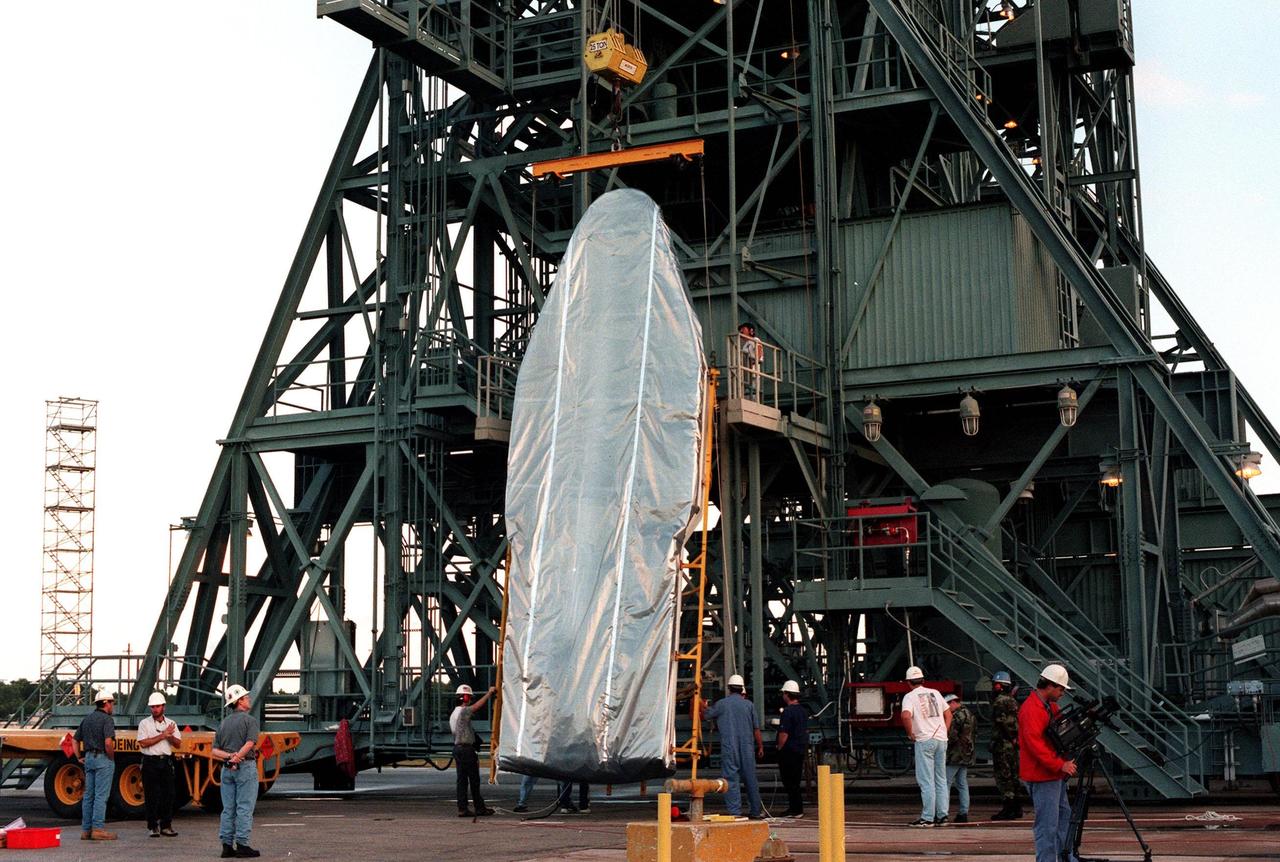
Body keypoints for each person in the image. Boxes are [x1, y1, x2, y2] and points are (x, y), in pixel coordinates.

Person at [1019, 664, 1079, 862]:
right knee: (1048, 824)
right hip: (1043, 775)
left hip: (1052, 775)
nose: (1062, 693)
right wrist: (1060, 764)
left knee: (1062, 817)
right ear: (1051, 686)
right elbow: (1036, 746)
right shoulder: (1032, 709)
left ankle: (1064, 856)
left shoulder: (1048, 706)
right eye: (1061, 689)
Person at [703, 674, 764, 820]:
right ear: (742, 688)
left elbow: (706, 715)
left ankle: (735, 812)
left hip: (730, 748)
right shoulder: (749, 705)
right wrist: (760, 746)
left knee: (730, 779)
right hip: (747, 749)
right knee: (750, 779)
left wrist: (701, 703)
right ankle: (756, 811)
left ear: (729, 688)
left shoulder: (722, 704)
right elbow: (756, 729)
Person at [213, 684, 261, 858]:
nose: (248, 699)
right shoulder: (250, 721)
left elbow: (214, 751)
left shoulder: (223, 723)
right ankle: (242, 844)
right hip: (245, 767)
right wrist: (238, 758)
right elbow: (250, 743)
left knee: (228, 808)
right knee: (244, 807)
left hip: (226, 769)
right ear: (239, 701)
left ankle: (226, 845)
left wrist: (229, 757)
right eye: (246, 697)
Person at [899, 665, 951, 827]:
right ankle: (942, 816)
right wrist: (944, 731)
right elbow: (948, 714)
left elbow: (906, 716)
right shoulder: (935, 693)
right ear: (922, 680)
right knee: (941, 779)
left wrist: (910, 733)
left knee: (926, 781)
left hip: (924, 740)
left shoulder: (909, 696)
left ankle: (928, 817)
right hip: (941, 739)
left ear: (909, 682)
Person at [75, 688, 118, 841]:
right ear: (106, 703)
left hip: (89, 758)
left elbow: (75, 740)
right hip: (102, 758)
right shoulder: (107, 720)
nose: (113, 706)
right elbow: (108, 743)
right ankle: (98, 829)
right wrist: (111, 758)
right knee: (101, 796)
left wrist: (79, 757)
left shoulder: (87, 719)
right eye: (112, 703)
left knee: (88, 796)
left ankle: (86, 830)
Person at [137, 691, 182, 838]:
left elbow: (178, 744)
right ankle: (152, 826)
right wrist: (163, 735)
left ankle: (166, 825)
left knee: (168, 794)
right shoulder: (144, 724)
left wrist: (169, 737)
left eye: (157, 706)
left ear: (163, 707)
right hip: (150, 761)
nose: (155, 709)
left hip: (166, 761)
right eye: (152, 707)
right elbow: (143, 743)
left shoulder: (171, 724)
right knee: (151, 795)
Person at [450, 684, 496, 818]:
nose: (469, 700)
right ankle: (479, 807)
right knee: (474, 780)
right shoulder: (463, 711)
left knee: (462, 781)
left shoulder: (453, 714)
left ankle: (462, 808)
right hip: (466, 750)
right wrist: (489, 693)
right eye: (469, 698)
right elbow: (477, 706)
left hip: (458, 749)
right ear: (465, 698)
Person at [989, 670, 1023, 820]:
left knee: (1004, 777)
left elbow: (1002, 723)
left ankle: (1008, 808)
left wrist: (1009, 738)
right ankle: (1017, 808)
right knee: (1014, 776)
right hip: (1013, 744)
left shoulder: (999, 701)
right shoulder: (1013, 701)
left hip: (1003, 744)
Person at [775, 680, 807, 818]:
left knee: (789, 781)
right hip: (799, 749)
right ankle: (797, 808)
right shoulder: (802, 711)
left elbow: (784, 734)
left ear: (787, 694)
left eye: (784, 693)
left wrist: (779, 747)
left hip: (789, 751)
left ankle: (795, 809)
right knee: (796, 781)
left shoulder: (787, 712)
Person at [944, 693, 974, 823]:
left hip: (955, 754)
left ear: (953, 703)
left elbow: (952, 736)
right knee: (962, 784)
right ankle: (963, 812)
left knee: (946, 783)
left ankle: (942, 812)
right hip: (967, 754)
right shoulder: (970, 714)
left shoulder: (956, 716)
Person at [737, 322, 763, 399]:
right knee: (747, 386)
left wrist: (755, 361)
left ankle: (754, 400)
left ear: (750, 331)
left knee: (754, 385)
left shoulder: (755, 339)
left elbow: (759, 350)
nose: (741, 331)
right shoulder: (745, 345)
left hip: (754, 367)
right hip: (746, 369)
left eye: (743, 329)